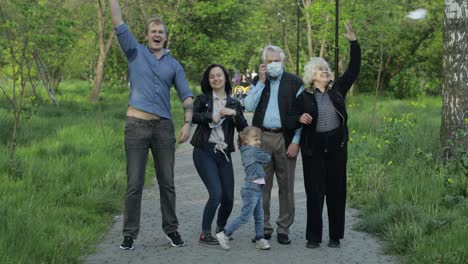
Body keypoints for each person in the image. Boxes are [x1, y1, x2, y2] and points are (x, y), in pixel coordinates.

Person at [109, 0, 193, 250]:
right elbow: (117, 21)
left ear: (165, 38)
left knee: (167, 182)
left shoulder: (174, 64)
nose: (157, 34)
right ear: (146, 35)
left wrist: (187, 123)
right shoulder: (134, 51)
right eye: (153, 31)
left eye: (161, 32)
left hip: (163, 129)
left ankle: (172, 230)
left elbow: (186, 95)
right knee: (134, 183)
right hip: (136, 126)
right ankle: (129, 234)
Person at [292, 21, 361, 249]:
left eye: (326, 69)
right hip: (313, 150)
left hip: (337, 148)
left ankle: (335, 236)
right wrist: (299, 119)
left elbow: (353, 70)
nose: (325, 72)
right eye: (320, 70)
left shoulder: (338, 90)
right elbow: (290, 119)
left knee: (336, 192)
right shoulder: (304, 97)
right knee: (315, 193)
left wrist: (353, 43)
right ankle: (313, 237)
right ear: (312, 76)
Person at [244, 45, 303, 245]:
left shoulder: (295, 82)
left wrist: (296, 141)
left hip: (285, 138)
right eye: (269, 61)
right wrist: (260, 82)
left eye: (276, 60)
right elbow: (249, 106)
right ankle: (264, 227)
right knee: (262, 186)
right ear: (263, 63)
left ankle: (283, 228)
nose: (273, 64)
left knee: (286, 186)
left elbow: (301, 114)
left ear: (283, 61)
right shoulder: (259, 81)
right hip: (261, 137)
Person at [191, 64, 248, 245]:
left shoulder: (234, 103)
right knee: (216, 194)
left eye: (219, 75)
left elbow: (243, 128)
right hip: (204, 151)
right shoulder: (202, 99)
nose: (216, 79)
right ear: (208, 81)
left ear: (226, 78)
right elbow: (192, 116)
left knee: (228, 198)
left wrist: (234, 114)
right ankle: (205, 234)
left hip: (224, 154)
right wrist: (210, 116)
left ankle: (220, 229)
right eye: (212, 77)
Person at [216, 126, 271, 251]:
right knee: (245, 216)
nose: (259, 142)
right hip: (251, 189)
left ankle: (260, 239)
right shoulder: (252, 151)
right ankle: (224, 233)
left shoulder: (247, 150)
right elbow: (268, 158)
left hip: (256, 188)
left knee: (259, 216)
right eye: (255, 139)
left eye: (259, 139)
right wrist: (260, 152)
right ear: (245, 139)